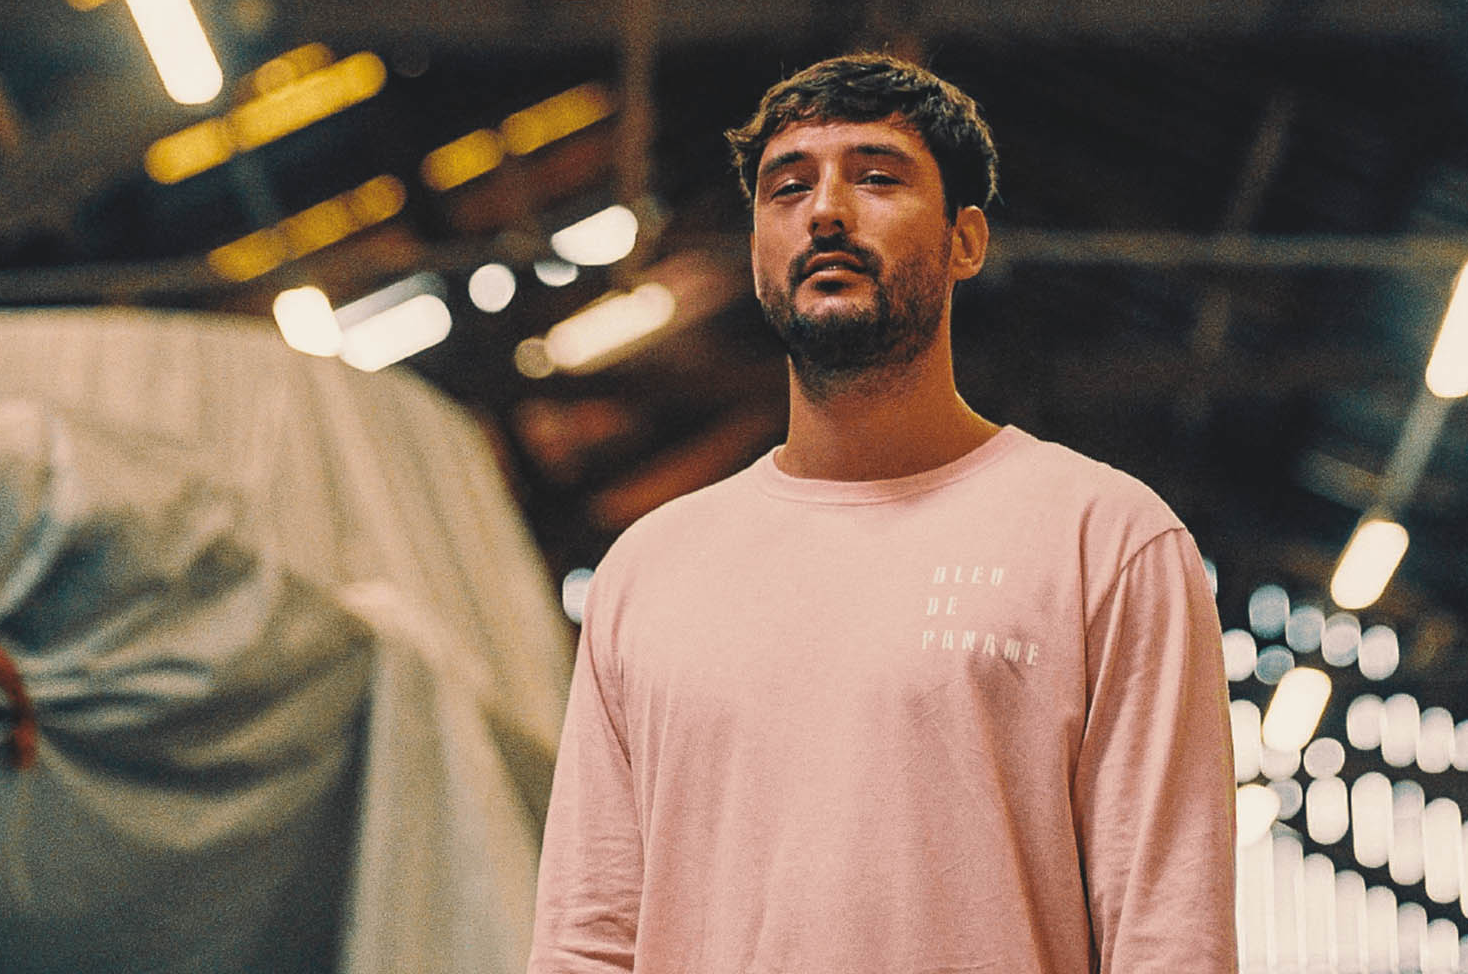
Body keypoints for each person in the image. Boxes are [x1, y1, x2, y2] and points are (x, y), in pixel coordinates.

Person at [528, 54, 1236, 973]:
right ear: (757, 250)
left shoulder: (1104, 539)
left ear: (965, 241)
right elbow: (587, 936)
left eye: (876, 178)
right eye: (789, 187)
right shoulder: (648, 570)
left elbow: (1170, 935)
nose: (825, 210)